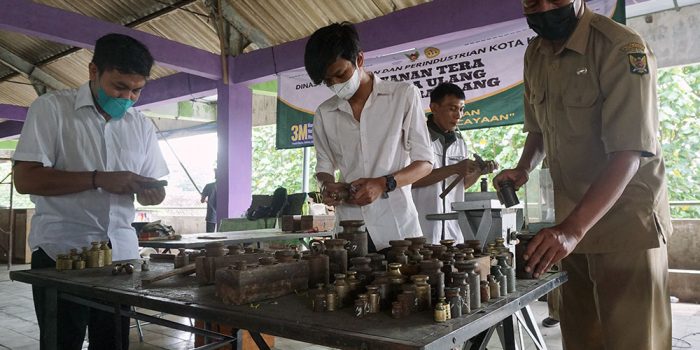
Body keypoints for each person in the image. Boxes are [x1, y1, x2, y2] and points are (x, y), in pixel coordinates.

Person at [494, 0, 672, 349]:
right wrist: (523, 167)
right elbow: (539, 128)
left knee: (634, 340)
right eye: (532, 1)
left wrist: (571, 230)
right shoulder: (536, 54)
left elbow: (629, 152)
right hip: (567, 225)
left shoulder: (621, 47)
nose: (544, 8)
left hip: (624, 225)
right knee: (580, 338)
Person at [13, 33, 169, 350]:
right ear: (93, 71)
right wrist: (98, 179)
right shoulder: (51, 110)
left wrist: (152, 194)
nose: (128, 97)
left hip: (121, 260)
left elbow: (154, 185)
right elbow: (26, 180)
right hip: (62, 255)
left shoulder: (140, 125)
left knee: (112, 344)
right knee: (62, 343)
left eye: (137, 90)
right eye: (119, 86)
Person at [305, 22, 434, 252]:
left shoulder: (402, 96)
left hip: (398, 231)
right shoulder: (325, 114)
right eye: (328, 81)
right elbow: (324, 166)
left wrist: (383, 184)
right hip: (350, 232)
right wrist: (327, 186)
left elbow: (425, 163)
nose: (335, 85)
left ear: (359, 60)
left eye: (340, 74)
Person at [411, 83, 497, 244]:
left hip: (452, 233)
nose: (458, 115)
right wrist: (455, 168)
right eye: (452, 108)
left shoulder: (459, 142)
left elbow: (459, 185)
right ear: (434, 108)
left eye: (461, 109)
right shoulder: (417, 139)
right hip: (422, 230)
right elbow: (409, 181)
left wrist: (478, 171)